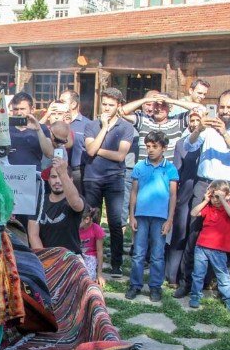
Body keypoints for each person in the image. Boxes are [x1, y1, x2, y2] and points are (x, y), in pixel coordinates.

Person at [174, 89, 230, 298]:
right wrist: (199, 129)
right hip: (205, 184)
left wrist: (224, 133)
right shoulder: (208, 125)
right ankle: (187, 281)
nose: (225, 111)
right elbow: (189, 145)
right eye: (222, 106)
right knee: (195, 232)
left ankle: (220, 283)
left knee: (229, 237)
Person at [83, 87, 136, 276]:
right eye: (104, 104)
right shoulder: (91, 125)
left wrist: (96, 149)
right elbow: (89, 151)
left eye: (111, 105)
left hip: (114, 178)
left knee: (115, 222)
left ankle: (116, 263)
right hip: (92, 177)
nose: (106, 108)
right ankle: (91, 258)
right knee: (92, 220)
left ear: (118, 106)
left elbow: (120, 155)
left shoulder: (126, 127)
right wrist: (104, 128)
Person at [127, 130, 178, 302]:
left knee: (157, 254)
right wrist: (131, 215)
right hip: (141, 216)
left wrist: (170, 219)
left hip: (160, 217)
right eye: (148, 146)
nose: (150, 150)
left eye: (155, 146)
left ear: (164, 148)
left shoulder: (170, 169)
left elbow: (173, 196)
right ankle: (135, 284)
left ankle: (155, 286)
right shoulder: (139, 167)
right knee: (139, 253)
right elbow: (133, 192)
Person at [189, 181, 230, 313]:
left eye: (218, 196)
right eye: (213, 196)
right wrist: (206, 200)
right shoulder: (208, 208)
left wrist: (223, 200)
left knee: (222, 275)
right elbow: (194, 213)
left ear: (228, 195)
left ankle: (229, 299)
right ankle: (195, 295)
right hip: (201, 247)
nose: (215, 200)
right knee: (198, 274)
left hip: (219, 250)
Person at [166, 109, 204, 285]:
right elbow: (177, 170)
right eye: (192, 120)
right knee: (180, 231)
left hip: (203, 188)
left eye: (198, 120)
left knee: (196, 233)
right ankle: (172, 273)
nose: (195, 123)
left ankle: (189, 275)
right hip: (185, 190)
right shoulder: (182, 143)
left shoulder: (209, 141)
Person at [28, 157, 86, 253]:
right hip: (45, 256)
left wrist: (62, 173)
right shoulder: (39, 201)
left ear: (70, 179)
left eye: (60, 177)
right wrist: (46, 259)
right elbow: (33, 235)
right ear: (49, 180)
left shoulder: (76, 199)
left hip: (71, 257)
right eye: (54, 177)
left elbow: (75, 203)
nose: (57, 181)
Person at [7, 92, 54, 168]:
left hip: (33, 175)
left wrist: (38, 130)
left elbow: (49, 154)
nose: (19, 113)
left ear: (32, 109)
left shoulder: (42, 128)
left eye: (22, 109)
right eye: (15, 109)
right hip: (10, 175)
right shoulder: (5, 128)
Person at [61, 90, 92, 194]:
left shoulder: (87, 124)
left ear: (73, 104)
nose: (60, 104)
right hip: (59, 170)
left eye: (63, 101)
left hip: (78, 172)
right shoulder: (57, 121)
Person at [77, 205, 106, 286]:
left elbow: (100, 252)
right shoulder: (75, 228)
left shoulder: (97, 229)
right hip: (77, 254)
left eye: (77, 220)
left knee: (88, 278)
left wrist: (99, 274)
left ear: (86, 219)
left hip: (90, 256)